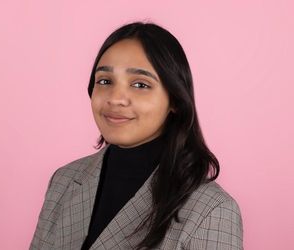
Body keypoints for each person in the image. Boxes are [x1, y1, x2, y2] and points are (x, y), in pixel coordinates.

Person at [30, 21, 243, 250]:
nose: (115, 98)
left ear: (175, 100)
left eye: (140, 84)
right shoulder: (63, 180)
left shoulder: (212, 211)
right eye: (105, 81)